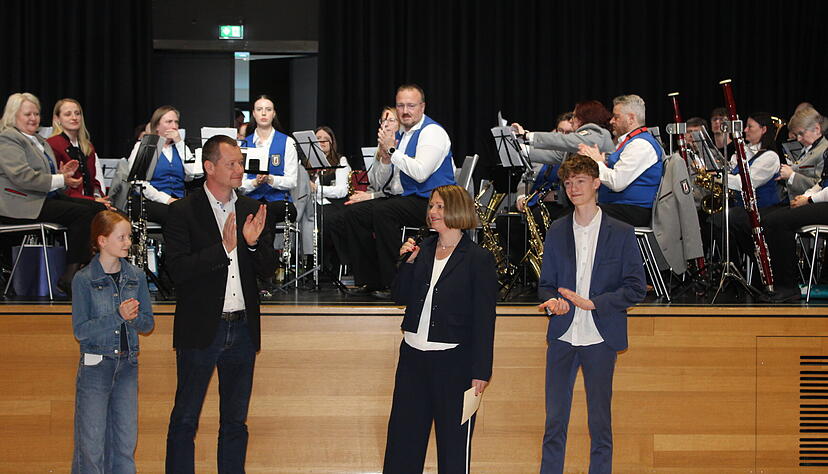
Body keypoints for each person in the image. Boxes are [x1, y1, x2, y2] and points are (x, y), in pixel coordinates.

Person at [163, 135, 276, 473]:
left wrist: (252, 246)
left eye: (241, 162)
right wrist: (224, 248)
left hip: (242, 328)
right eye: (232, 163)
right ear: (209, 167)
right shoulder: (183, 211)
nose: (240, 169)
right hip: (201, 328)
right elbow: (177, 270)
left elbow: (268, 270)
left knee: (235, 422)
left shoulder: (251, 208)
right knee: (185, 418)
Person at [537, 154, 646, 474]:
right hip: (563, 335)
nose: (573, 188)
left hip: (601, 336)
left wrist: (595, 303)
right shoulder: (557, 230)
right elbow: (546, 285)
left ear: (597, 183)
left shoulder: (621, 232)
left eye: (580, 181)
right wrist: (554, 302)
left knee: (600, 424)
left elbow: (636, 288)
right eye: (568, 183)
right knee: (554, 422)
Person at [383, 184, 498, 473]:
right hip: (413, 359)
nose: (432, 212)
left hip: (455, 364)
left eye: (440, 207)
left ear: (457, 210)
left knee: (453, 447)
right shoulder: (421, 250)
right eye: (431, 206)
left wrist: (481, 371)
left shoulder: (478, 258)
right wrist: (408, 263)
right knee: (402, 443)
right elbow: (399, 296)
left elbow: (485, 319)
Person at [347, 84, 457, 299]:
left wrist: (392, 150)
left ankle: (395, 282)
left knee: (384, 212)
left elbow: (420, 173)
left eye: (411, 106)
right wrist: (385, 157)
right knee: (355, 213)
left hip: (435, 200)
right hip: (409, 197)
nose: (405, 111)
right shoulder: (402, 135)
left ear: (422, 107)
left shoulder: (432, 132)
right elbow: (381, 184)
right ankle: (370, 279)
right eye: (400, 106)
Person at [71, 210, 154, 473]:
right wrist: (118, 316)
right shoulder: (84, 279)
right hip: (96, 365)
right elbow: (81, 331)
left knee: (125, 441)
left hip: (127, 365)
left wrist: (133, 318)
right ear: (102, 240)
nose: (128, 242)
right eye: (122, 237)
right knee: (91, 443)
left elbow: (148, 324)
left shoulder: (136, 276)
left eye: (129, 237)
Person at [0, 92, 106, 294]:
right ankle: (70, 276)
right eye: (28, 114)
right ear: (13, 115)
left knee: (98, 208)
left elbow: (48, 179)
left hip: (41, 198)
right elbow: (22, 177)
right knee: (82, 214)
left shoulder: (40, 141)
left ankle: (86, 268)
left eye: (36, 114)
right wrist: (60, 179)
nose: (34, 118)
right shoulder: (8, 139)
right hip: (21, 204)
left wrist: (63, 176)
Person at [328, 107, 403, 283]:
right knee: (338, 219)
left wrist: (370, 197)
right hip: (381, 196)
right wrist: (383, 158)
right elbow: (376, 182)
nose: (385, 124)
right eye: (383, 121)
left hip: (396, 199)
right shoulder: (380, 148)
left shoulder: (403, 144)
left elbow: (396, 187)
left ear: (400, 123)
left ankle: (378, 275)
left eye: (391, 120)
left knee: (356, 214)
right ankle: (359, 272)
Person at [579, 94, 664, 227]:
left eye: (616, 117)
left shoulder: (641, 144)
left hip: (632, 210)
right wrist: (601, 161)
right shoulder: (632, 141)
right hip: (621, 207)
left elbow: (617, 182)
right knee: (576, 212)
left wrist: (597, 161)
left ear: (631, 118)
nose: (611, 121)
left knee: (575, 217)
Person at [126, 105, 200, 225]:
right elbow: (139, 183)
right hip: (149, 201)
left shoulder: (180, 147)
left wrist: (179, 142)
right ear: (157, 126)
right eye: (169, 122)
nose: (174, 126)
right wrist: (167, 200)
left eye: (176, 122)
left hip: (178, 200)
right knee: (174, 214)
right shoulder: (145, 146)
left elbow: (192, 174)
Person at [239, 95, 298, 233]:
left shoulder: (288, 142)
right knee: (252, 210)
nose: (264, 113)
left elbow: (292, 181)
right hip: (251, 200)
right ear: (254, 114)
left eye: (268, 109)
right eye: (259, 109)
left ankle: (262, 247)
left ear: (274, 113)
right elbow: (239, 184)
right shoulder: (244, 144)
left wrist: (270, 179)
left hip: (280, 201)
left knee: (267, 212)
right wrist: (255, 183)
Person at [47, 99, 110, 208]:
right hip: (68, 202)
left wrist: (97, 196)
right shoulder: (52, 144)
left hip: (90, 201)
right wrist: (94, 201)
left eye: (77, 113)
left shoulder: (87, 146)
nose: (74, 117)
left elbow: (93, 180)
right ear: (57, 119)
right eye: (68, 114)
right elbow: (59, 188)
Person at [777, 107, 826, 197]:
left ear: (817, 129)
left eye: (801, 134)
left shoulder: (825, 151)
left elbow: (822, 187)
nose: (798, 139)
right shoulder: (808, 148)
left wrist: (791, 176)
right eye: (796, 135)